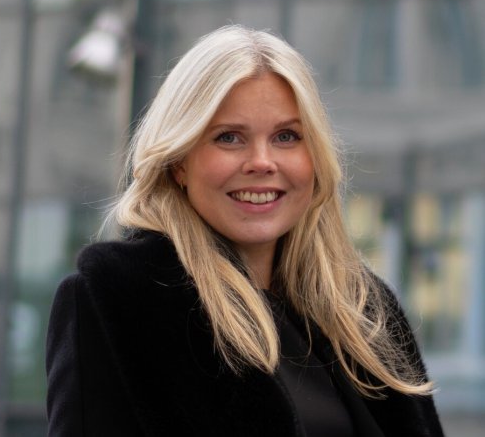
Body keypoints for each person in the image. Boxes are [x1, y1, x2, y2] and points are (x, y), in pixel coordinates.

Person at [46, 25, 444, 436]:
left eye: (286, 136)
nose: (262, 162)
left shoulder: (365, 311)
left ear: (315, 157)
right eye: (230, 138)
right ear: (179, 162)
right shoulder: (117, 301)